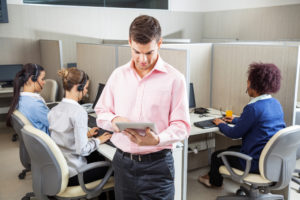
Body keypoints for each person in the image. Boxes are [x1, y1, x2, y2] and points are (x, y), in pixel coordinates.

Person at [95, 15, 190, 199]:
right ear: (130, 42)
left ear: (160, 43)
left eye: (149, 52)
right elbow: (101, 112)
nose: (143, 60)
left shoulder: (175, 79)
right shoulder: (118, 75)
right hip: (123, 164)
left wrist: (157, 139)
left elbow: (182, 126)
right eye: (137, 52)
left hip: (158, 165)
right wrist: (114, 120)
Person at [198, 62, 286, 188]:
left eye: (248, 81)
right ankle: (211, 176)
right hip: (269, 159)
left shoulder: (253, 108)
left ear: (252, 84)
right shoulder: (275, 104)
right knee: (229, 150)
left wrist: (221, 123)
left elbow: (234, 134)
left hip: (255, 162)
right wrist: (233, 120)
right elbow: (257, 122)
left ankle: (214, 182)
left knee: (216, 156)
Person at [48, 68, 112, 187]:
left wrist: (86, 135)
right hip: (74, 174)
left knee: (98, 156)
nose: (86, 92)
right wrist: (99, 140)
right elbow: (83, 150)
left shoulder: (54, 109)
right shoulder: (79, 112)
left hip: (59, 169)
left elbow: (64, 135)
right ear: (79, 87)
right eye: (86, 88)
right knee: (114, 168)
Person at [6, 63, 50, 135]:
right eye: (42, 79)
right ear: (32, 79)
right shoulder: (35, 104)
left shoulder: (21, 98)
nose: (44, 82)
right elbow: (56, 125)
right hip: (51, 140)